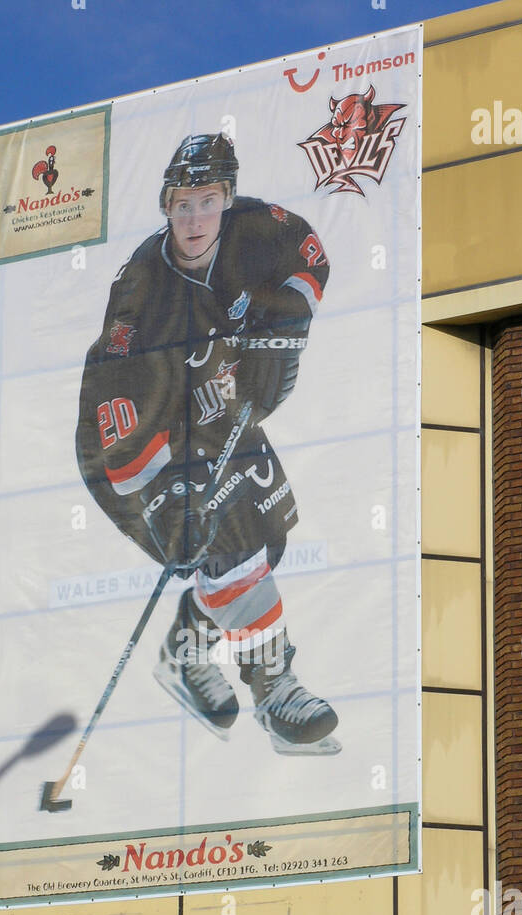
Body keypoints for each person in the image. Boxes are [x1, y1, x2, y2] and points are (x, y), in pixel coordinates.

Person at [76, 133, 339, 755]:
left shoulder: (255, 225)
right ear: (166, 205)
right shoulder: (141, 287)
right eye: (182, 203)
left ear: (227, 198)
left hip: (213, 411)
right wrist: (162, 496)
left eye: (208, 200)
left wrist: (290, 320)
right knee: (228, 543)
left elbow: (311, 254)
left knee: (266, 535)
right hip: (128, 442)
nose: (195, 218)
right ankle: (274, 689)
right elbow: (114, 401)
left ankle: (184, 653)